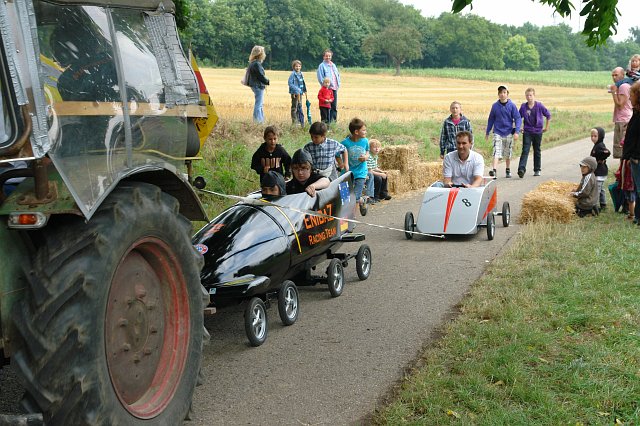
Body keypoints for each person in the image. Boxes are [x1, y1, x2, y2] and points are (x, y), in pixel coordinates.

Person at [485, 85, 521, 178]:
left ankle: (508, 169)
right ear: (498, 94)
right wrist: (487, 131)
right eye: (500, 93)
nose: (502, 94)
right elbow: (491, 119)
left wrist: (517, 131)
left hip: (509, 131)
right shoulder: (495, 106)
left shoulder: (512, 106)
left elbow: (517, 118)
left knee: (507, 152)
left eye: (504, 92)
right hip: (497, 131)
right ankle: (494, 170)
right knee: (496, 150)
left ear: (507, 94)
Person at [517, 88, 551, 178]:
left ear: (534, 96)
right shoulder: (523, 107)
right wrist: (519, 127)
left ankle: (537, 169)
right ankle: (521, 169)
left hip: (538, 131)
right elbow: (518, 117)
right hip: (527, 131)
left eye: (530, 95)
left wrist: (546, 127)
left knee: (537, 150)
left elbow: (548, 115)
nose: (529, 97)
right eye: (527, 95)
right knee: (525, 150)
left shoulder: (539, 105)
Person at [341, 118, 370, 209]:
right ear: (356, 132)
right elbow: (337, 154)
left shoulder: (365, 141)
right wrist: (341, 163)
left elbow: (368, 151)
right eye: (364, 130)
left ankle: (352, 216)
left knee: (355, 197)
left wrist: (366, 157)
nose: (366, 132)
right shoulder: (344, 143)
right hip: (346, 172)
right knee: (344, 197)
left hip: (361, 172)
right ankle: (362, 200)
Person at [622, 81, 640, 224]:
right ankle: (638, 217)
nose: (629, 98)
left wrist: (636, 156)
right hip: (634, 158)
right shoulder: (636, 112)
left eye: (632, 95)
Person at [609, 67, 632, 159]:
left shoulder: (624, 86)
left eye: (616, 75)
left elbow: (620, 104)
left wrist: (614, 92)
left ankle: (623, 166)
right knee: (619, 148)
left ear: (623, 75)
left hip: (623, 119)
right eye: (613, 75)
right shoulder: (621, 86)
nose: (614, 77)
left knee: (620, 148)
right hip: (621, 119)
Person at [589, 127, 611, 210]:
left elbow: (607, 152)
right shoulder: (597, 145)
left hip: (600, 171)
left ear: (600, 136)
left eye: (595, 136)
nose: (593, 138)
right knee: (601, 189)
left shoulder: (600, 145)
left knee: (596, 190)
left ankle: (595, 206)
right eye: (591, 136)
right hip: (598, 171)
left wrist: (602, 159)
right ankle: (603, 203)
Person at [316, 49, 340, 123]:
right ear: (323, 57)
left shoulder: (333, 65)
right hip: (327, 89)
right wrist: (326, 87)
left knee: (334, 106)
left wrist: (338, 84)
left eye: (329, 56)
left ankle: (333, 123)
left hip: (334, 88)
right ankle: (326, 123)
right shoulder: (321, 66)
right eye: (326, 56)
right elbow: (320, 78)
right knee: (325, 108)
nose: (328, 57)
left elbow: (337, 75)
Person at [247, 45, 269, 123]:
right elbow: (260, 76)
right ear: (260, 54)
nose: (264, 54)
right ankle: (257, 121)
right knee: (259, 104)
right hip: (258, 86)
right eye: (263, 52)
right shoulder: (257, 64)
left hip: (255, 85)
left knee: (260, 104)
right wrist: (267, 81)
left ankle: (261, 120)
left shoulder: (253, 63)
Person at [288, 60, 307, 126]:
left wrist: (304, 90)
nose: (298, 67)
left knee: (299, 106)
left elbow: (303, 82)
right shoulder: (293, 74)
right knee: (294, 107)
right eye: (296, 66)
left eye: (299, 66)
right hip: (295, 94)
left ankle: (299, 121)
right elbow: (290, 83)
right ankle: (294, 122)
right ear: (293, 67)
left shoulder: (301, 74)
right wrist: (297, 89)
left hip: (300, 93)